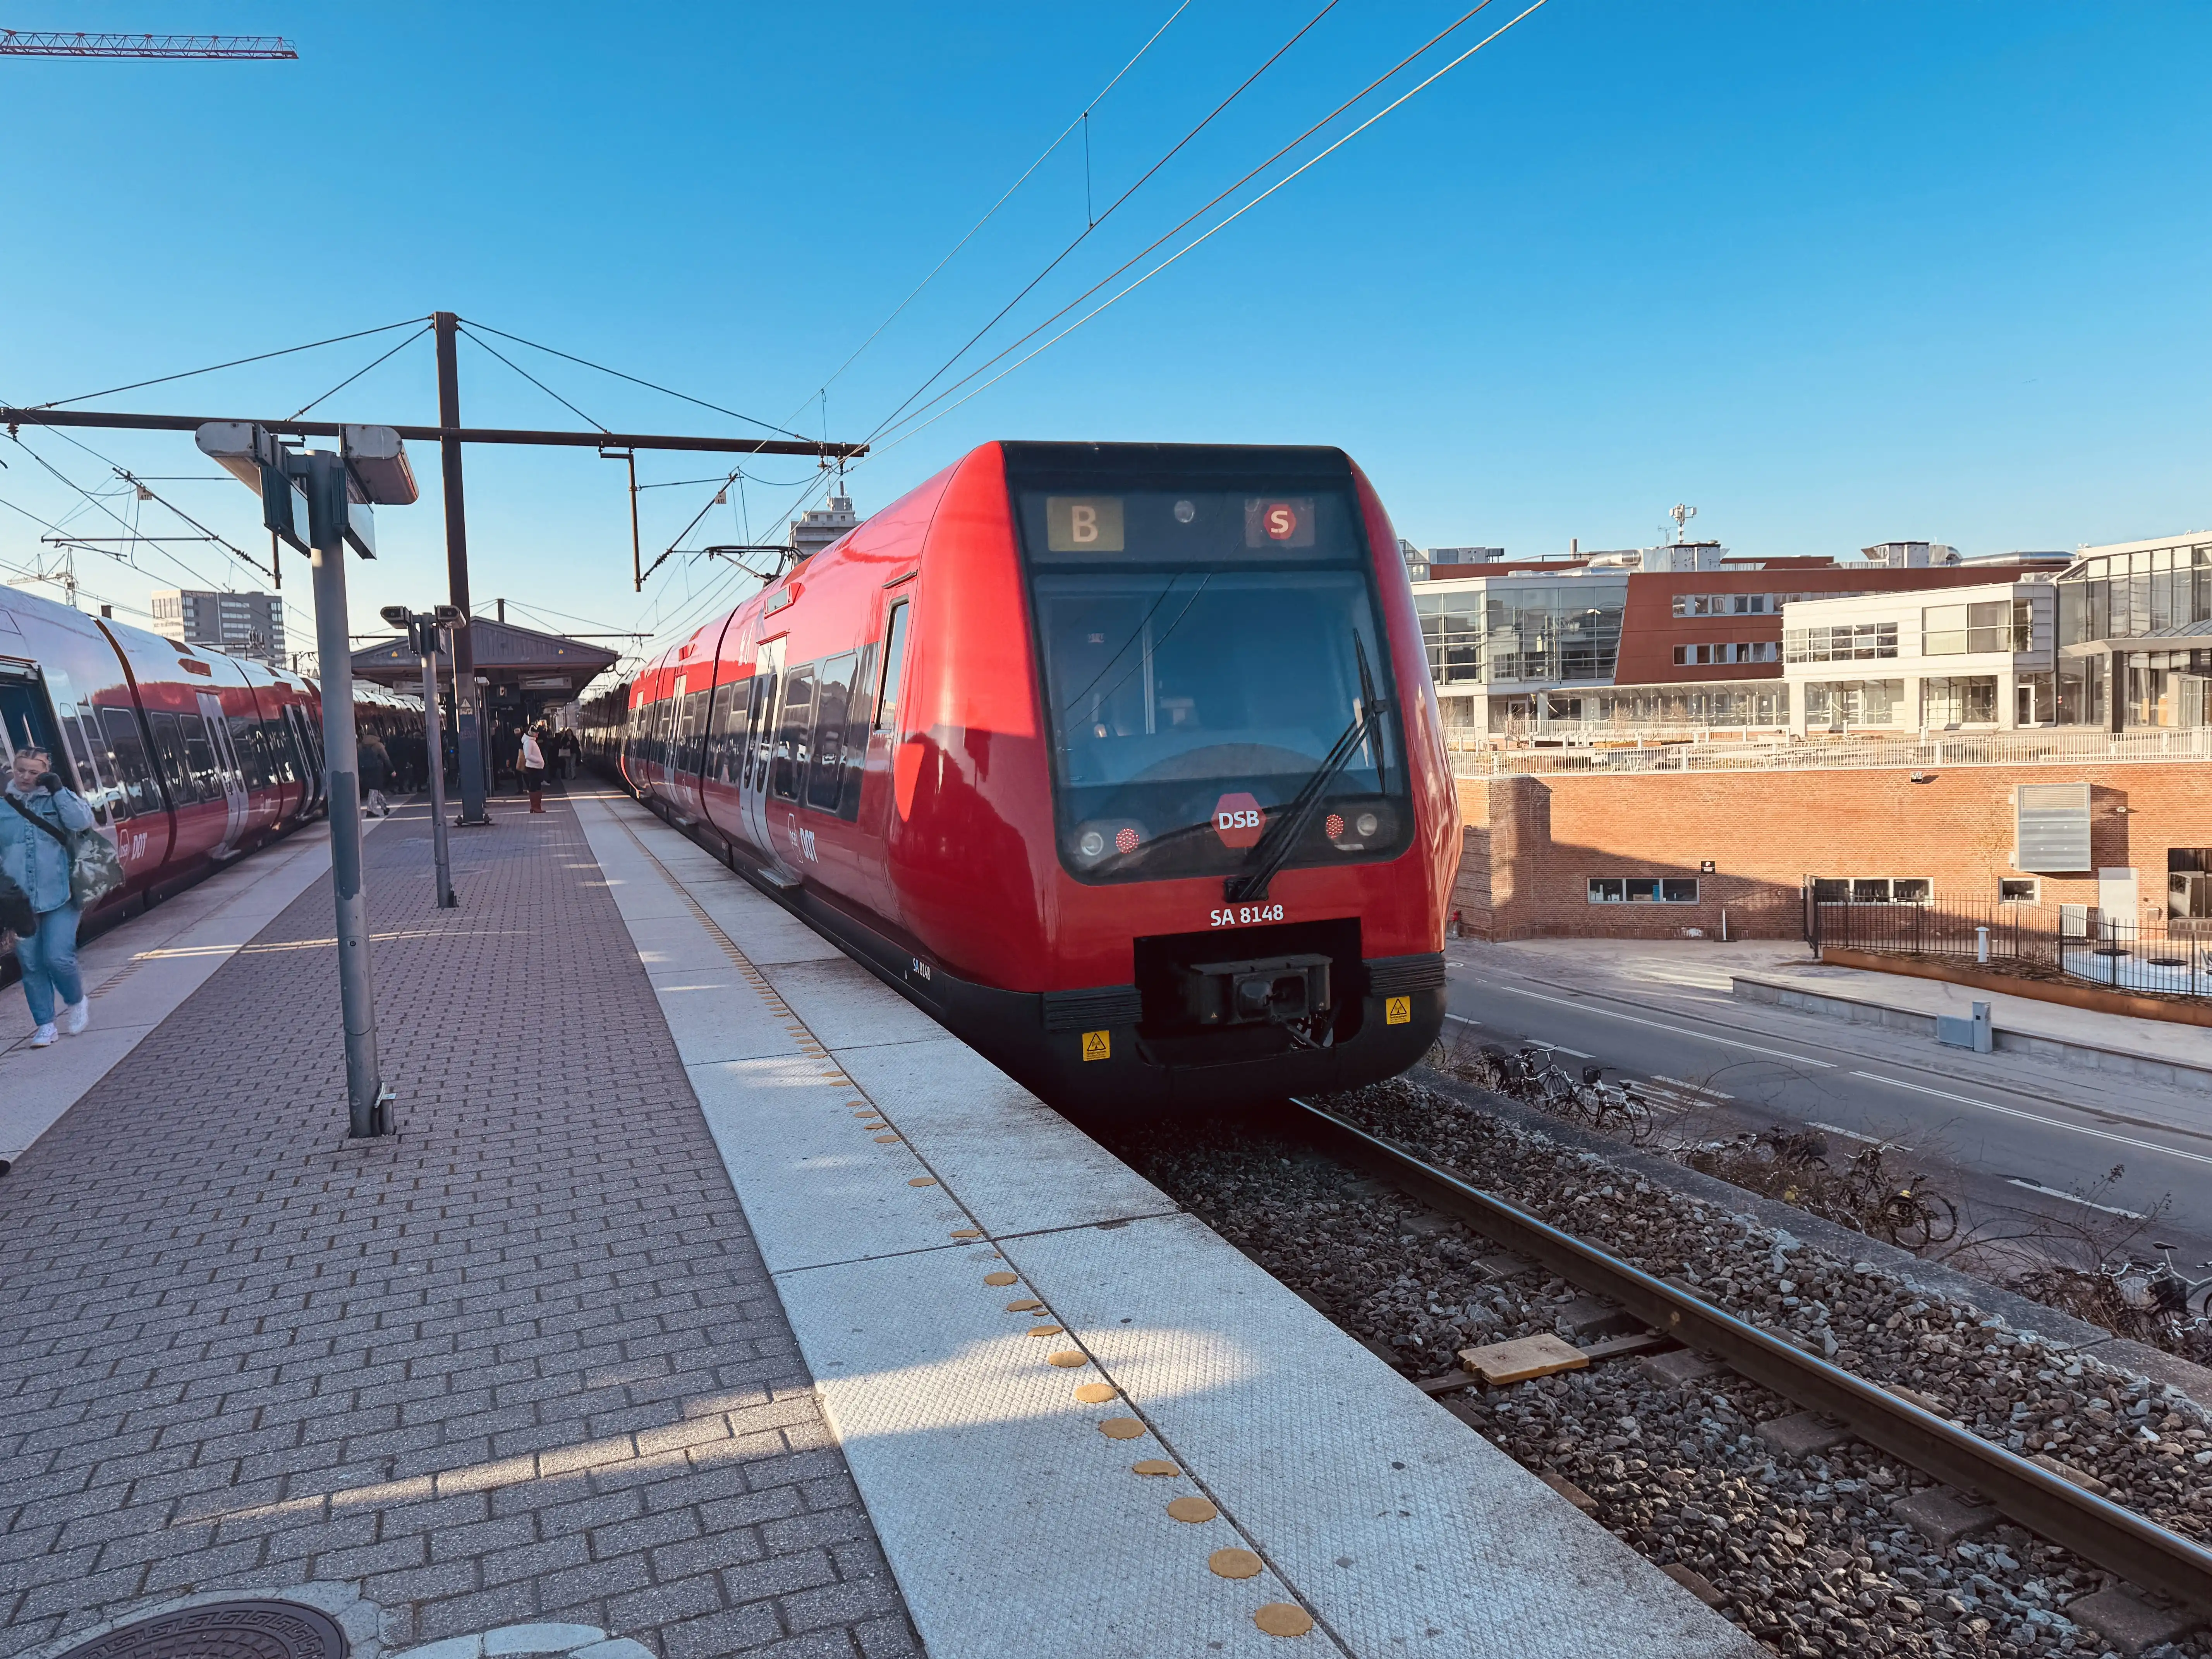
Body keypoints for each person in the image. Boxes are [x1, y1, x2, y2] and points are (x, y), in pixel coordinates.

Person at [0, 745, 96, 1048]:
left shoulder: (57, 800)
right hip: (20, 901)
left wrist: (59, 791)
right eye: (21, 770)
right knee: (31, 965)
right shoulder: (3, 805)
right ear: (12, 770)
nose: (26, 777)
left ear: (45, 773)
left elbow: (82, 823)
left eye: (34, 772)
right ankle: (45, 1025)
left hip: (62, 893)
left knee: (58, 957)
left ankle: (76, 1000)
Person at [358, 733, 392, 817]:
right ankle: (370, 810)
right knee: (374, 789)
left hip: (365, 770)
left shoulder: (360, 746)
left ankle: (385, 807)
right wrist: (392, 769)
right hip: (377, 770)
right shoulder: (378, 745)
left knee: (375, 789)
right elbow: (386, 758)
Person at [520, 724, 548, 814]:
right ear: (532, 733)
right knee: (534, 786)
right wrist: (539, 761)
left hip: (536, 767)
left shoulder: (531, 742)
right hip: (533, 767)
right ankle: (535, 806)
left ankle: (536, 806)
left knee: (537, 786)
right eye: (536, 732)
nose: (538, 734)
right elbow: (528, 756)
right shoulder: (529, 742)